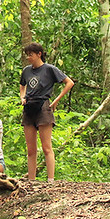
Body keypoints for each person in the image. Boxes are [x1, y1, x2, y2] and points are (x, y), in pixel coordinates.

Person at [20, 42, 75, 181]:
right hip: (29, 108)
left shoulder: (49, 69)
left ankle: (50, 180)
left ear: (39, 54)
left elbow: (69, 82)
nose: (28, 58)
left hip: (43, 107)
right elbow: (22, 85)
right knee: (31, 150)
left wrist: (56, 100)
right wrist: (22, 98)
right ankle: (31, 181)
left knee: (46, 147)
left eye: (31, 55)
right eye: (27, 55)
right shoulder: (26, 70)